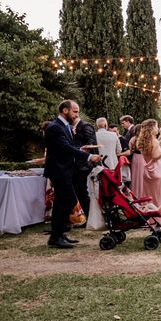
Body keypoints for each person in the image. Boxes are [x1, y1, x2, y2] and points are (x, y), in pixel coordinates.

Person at [44, 100, 101, 249]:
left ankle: (58, 235)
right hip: (59, 170)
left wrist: (82, 149)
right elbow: (65, 147)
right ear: (65, 110)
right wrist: (88, 157)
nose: (77, 115)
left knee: (62, 201)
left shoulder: (65, 126)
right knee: (68, 200)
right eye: (75, 111)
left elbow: (70, 146)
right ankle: (56, 235)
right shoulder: (54, 127)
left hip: (66, 169)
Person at [136, 119, 161, 227]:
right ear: (152, 128)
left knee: (150, 197)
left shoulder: (143, 141)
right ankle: (159, 222)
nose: (158, 128)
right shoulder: (154, 141)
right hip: (156, 169)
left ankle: (150, 221)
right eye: (157, 126)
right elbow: (155, 157)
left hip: (146, 171)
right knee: (159, 197)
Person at [72, 116, 98, 218]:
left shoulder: (85, 126)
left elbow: (90, 145)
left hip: (84, 165)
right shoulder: (71, 128)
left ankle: (89, 216)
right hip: (76, 165)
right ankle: (86, 215)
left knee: (82, 192)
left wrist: (78, 148)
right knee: (79, 192)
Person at [129, 124, 144, 197]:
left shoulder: (133, 139)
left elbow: (130, 150)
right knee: (139, 175)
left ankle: (136, 193)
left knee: (137, 175)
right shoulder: (142, 139)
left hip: (136, 157)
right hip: (141, 157)